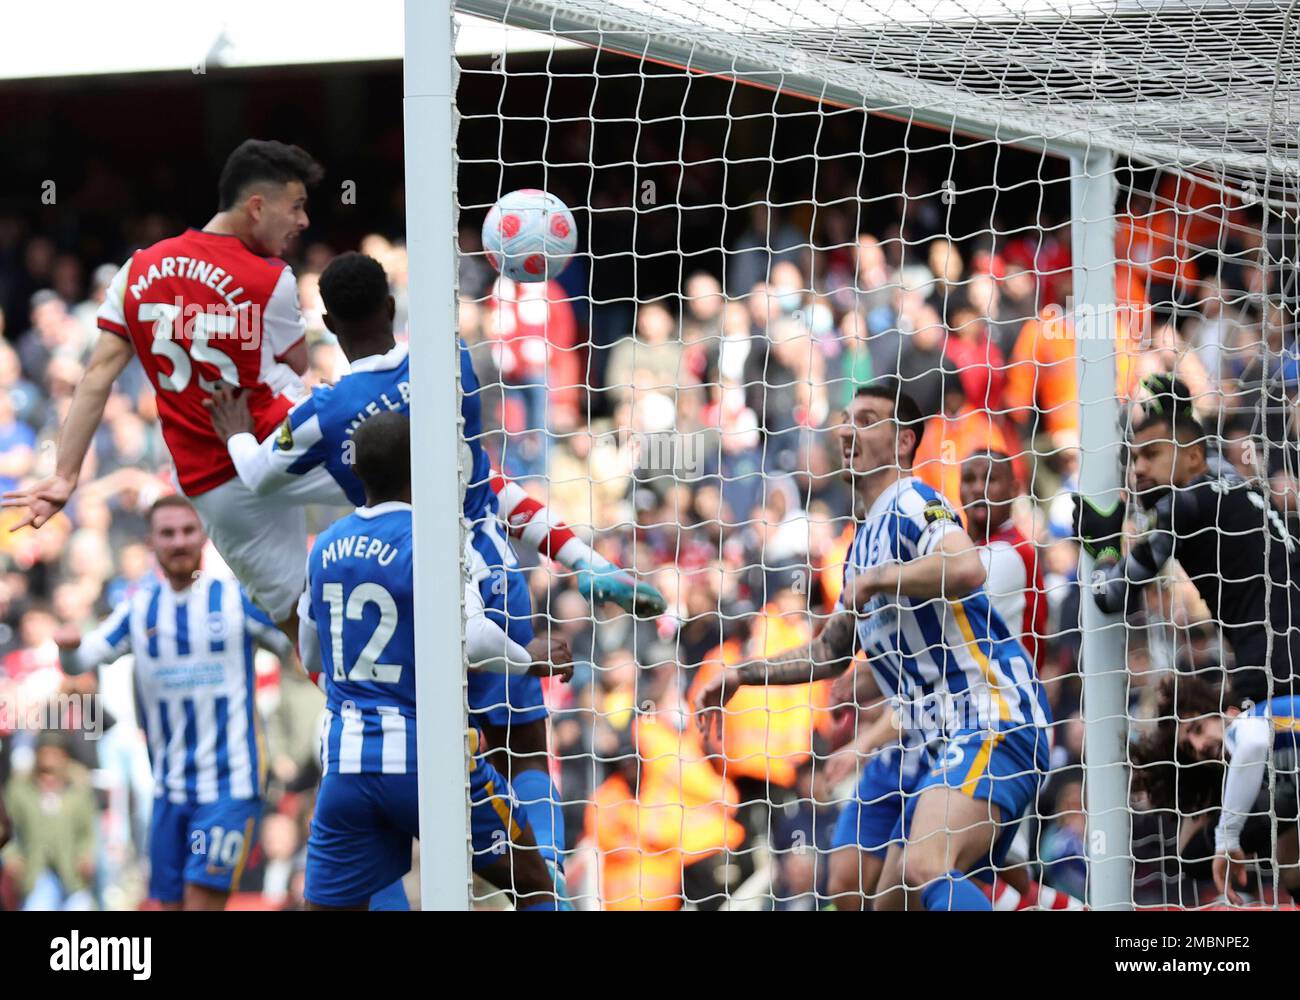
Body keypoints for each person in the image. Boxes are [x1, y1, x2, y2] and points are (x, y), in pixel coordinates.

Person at [696, 378, 1052, 910]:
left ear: (905, 441)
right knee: (878, 901)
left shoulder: (913, 500)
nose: (848, 430)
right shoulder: (860, 543)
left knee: (926, 865)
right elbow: (828, 652)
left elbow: (966, 565)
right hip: (934, 738)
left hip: (992, 716)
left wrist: (884, 579)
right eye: (847, 419)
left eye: (867, 421)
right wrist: (744, 675)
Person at [4, 140, 330, 646]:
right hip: (284, 445)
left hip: (213, 485)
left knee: (301, 628)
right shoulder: (271, 279)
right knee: (412, 481)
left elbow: (96, 377)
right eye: (297, 206)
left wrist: (63, 476)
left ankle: (362, 712)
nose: (303, 221)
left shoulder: (136, 272)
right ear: (257, 206)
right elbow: (299, 362)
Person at [297, 412, 567, 909]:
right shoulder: (433, 537)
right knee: (535, 886)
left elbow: (310, 650)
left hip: (346, 765)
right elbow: (477, 639)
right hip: (429, 762)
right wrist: (531, 659)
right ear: (424, 464)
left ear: (358, 472)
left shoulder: (325, 546)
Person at [55, 496, 294, 910]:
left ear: (204, 534)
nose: (179, 541)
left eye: (188, 530)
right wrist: (67, 649)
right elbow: (82, 657)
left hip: (229, 786)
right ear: (151, 541)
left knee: (201, 900)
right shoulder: (138, 609)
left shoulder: (237, 601)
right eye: (168, 533)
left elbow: (296, 644)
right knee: (170, 905)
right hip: (168, 788)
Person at [1075, 373, 1300, 704]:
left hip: (1272, 676)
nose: (1137, 469)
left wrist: (1106, 547)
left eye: (1151, 454)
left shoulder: (1182, 506)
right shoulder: (1234, 483)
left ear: (1191, 457)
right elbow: (1202, 457)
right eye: (1135, 458)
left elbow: (1109, 596)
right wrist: (1182, 420)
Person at [1131, 674, 1300, 904]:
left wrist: (1227, 838)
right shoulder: (1264, 769)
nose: (1200, 746)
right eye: (1189, 748)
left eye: (1199, 728)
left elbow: (1253, 745)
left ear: (1228, 713)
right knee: (1292, 871)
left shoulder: (1248, 722)